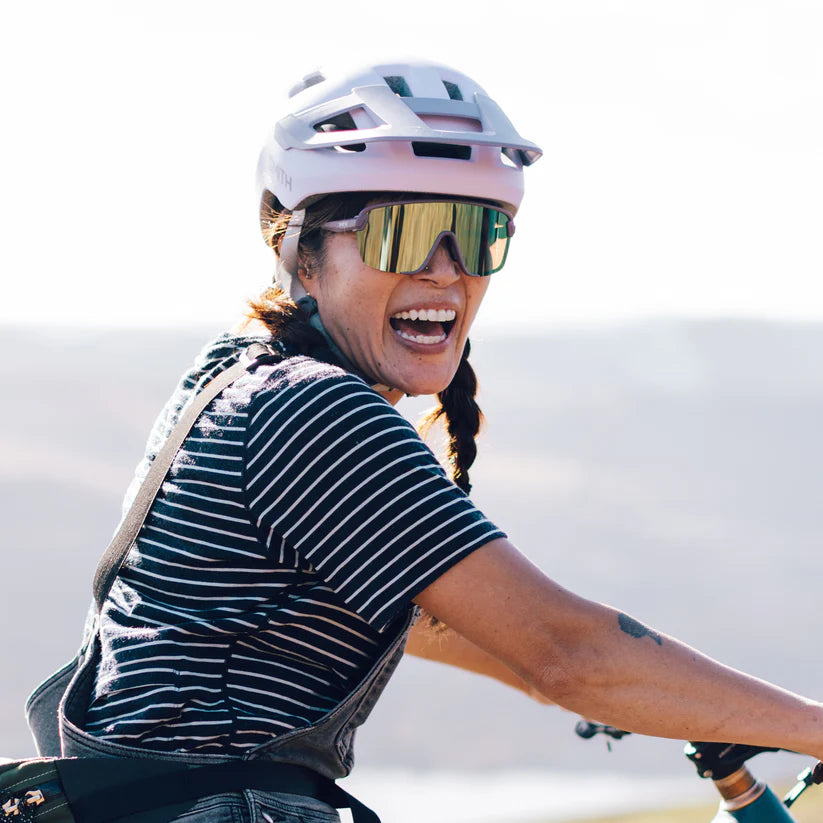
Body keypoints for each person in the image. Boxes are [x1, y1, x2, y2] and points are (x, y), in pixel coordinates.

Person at [51, 59, 822, 822]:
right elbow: (568, 652)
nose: (446, 273)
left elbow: (423, 614)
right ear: (301, 251)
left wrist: (625, 692)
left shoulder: (233, 374)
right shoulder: (312, 410)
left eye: (478, 234)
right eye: (404, 232)